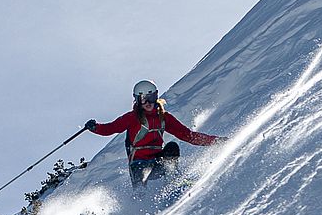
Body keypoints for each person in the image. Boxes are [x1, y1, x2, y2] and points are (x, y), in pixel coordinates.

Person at [84, 80, 227, 191]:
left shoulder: (164, 117)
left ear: (156, 96)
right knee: (141, 172)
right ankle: (140, 200)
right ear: (137, 101)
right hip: (138, 164)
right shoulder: (132, 117)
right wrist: (95, 127)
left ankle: (174, 185)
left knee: (172, 147)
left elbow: (187, 135)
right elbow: (111, 128)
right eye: (143, 99)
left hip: (157, 162)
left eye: (151, 97)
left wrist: (215, 141)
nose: (148, 103)